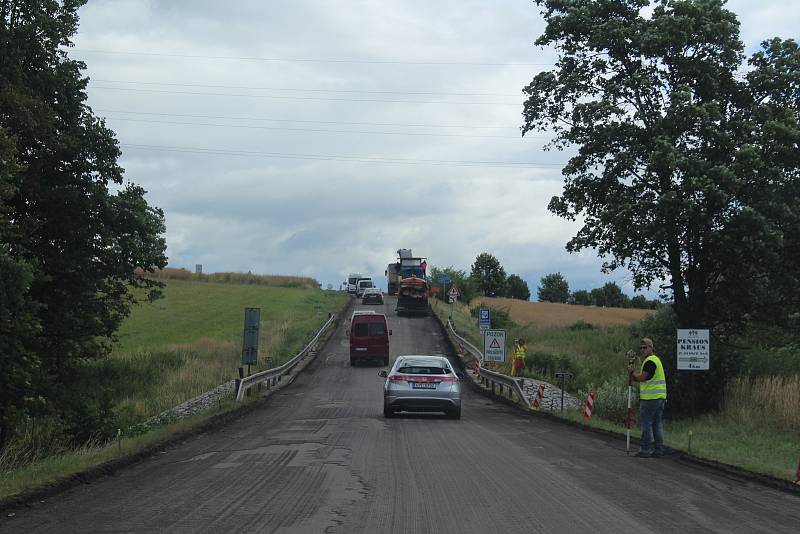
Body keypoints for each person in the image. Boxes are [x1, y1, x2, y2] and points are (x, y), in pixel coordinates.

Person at [628, 337, 667, 458]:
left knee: (647, 424)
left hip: (650, 399)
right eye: (641, 348)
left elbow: (642, 378)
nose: (642, 350)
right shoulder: (656, 360)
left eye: (645, 347)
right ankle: (659, 450)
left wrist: (631, 373)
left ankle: (645, 449)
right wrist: (634, 375)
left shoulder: (650, 361)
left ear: (651, 347)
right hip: (660, 398)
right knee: (657, 424)